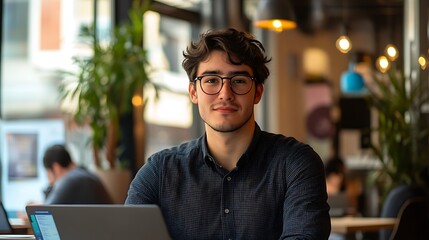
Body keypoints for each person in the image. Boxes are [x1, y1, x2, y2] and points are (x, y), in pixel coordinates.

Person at [125, 28, 331, 239]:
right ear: (193, 92)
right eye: (212, 80)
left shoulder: (295, 164)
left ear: (258, 92)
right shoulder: (159, 173)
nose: (225, 94)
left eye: (239, 80)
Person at [42, 144, 113, 204]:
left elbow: (45, 211)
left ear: (56, 168)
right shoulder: (84, 175)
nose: (49, 180)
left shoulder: (71, 180)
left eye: (48, 174)